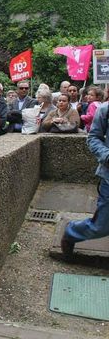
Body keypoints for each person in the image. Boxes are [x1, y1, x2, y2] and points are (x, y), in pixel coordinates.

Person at [58, 102, 109, 260]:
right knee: (101, 227)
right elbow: (93, 138)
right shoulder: (105, 110)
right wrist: (107, 156)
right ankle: (71, 232)